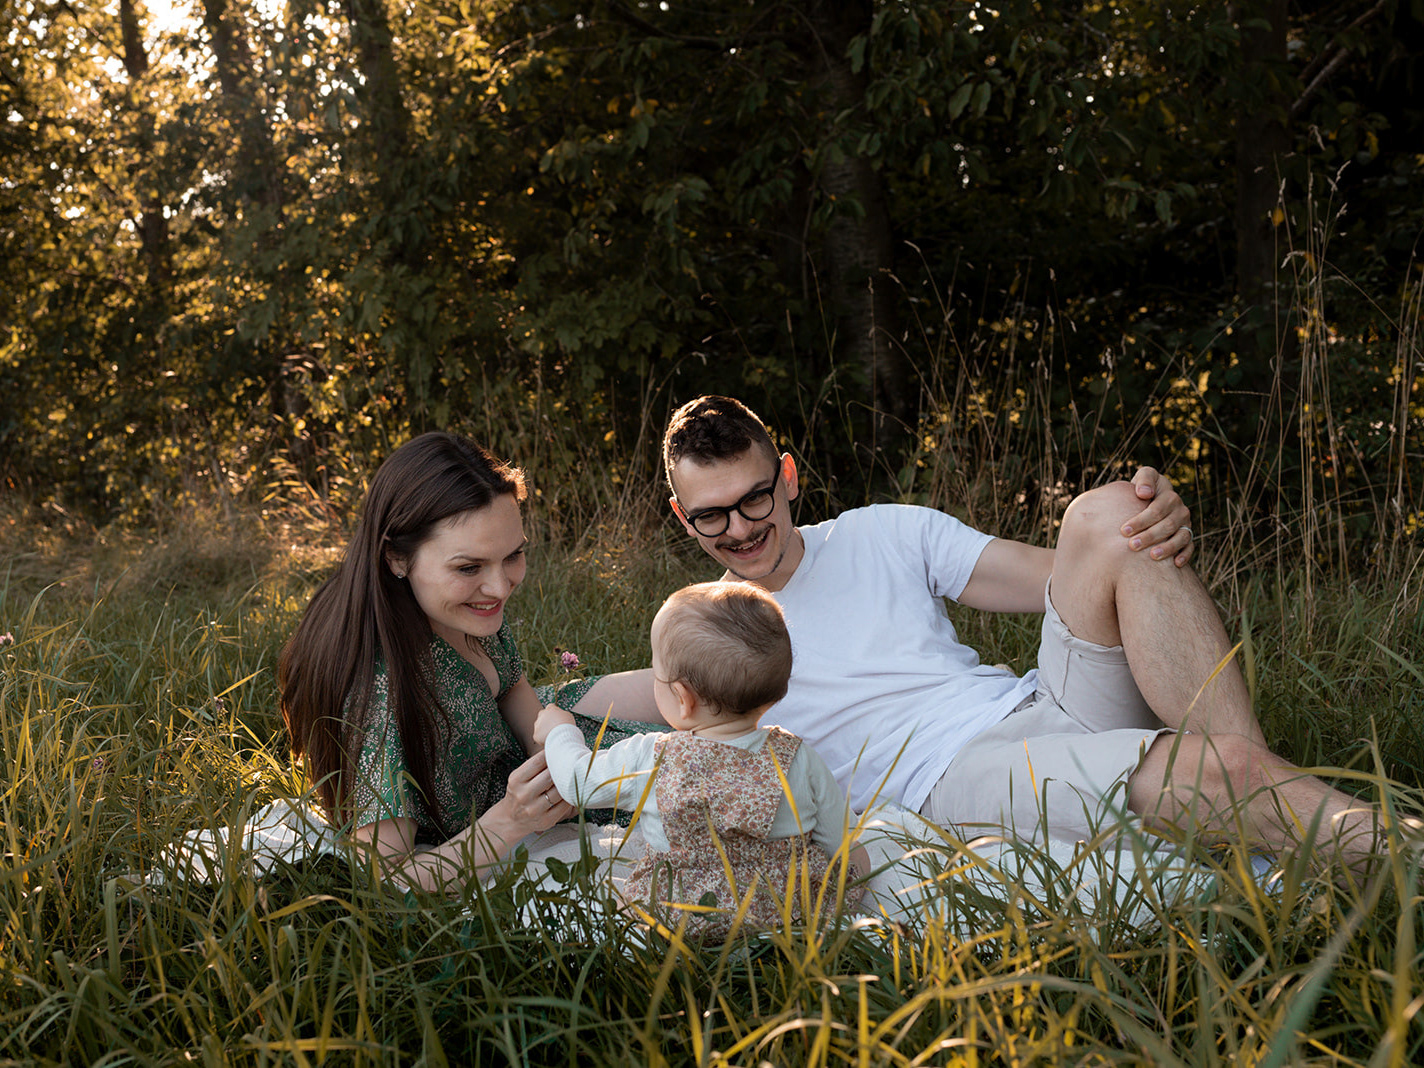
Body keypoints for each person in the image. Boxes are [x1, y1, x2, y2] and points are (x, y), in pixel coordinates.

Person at [659, 396, 1389, 871]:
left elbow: (1072, 572)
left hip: (1036, 704)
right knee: (1220, 771)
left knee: (1110, 515)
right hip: (949, 776)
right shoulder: (707, 630)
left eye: (755, 498)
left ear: (787, 477)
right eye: (711, 515)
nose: (740, 529)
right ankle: (1377, 856)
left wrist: (1148, 525)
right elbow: (627, 699)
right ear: (681, 517)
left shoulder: (880, 533)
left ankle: (1276, 828)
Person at [279, 431, 659, 891]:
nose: (499, 588)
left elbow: (513, 688)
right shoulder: (381, 695)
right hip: (505, 816)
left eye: (513, 555)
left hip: (525, 757)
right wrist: (512, 820)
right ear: (396, 558)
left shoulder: (455, 608)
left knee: (685, 695)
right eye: (468, 567)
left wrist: (554, 754)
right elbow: (388, 878)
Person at [533, 581, 868, 940]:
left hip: (676, 918)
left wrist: (559, 730)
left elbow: (577, 782)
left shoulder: (653, 756)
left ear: (683, 698)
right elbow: (841, 844)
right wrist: (849, 887)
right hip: (785, 913)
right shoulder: (797, 757)